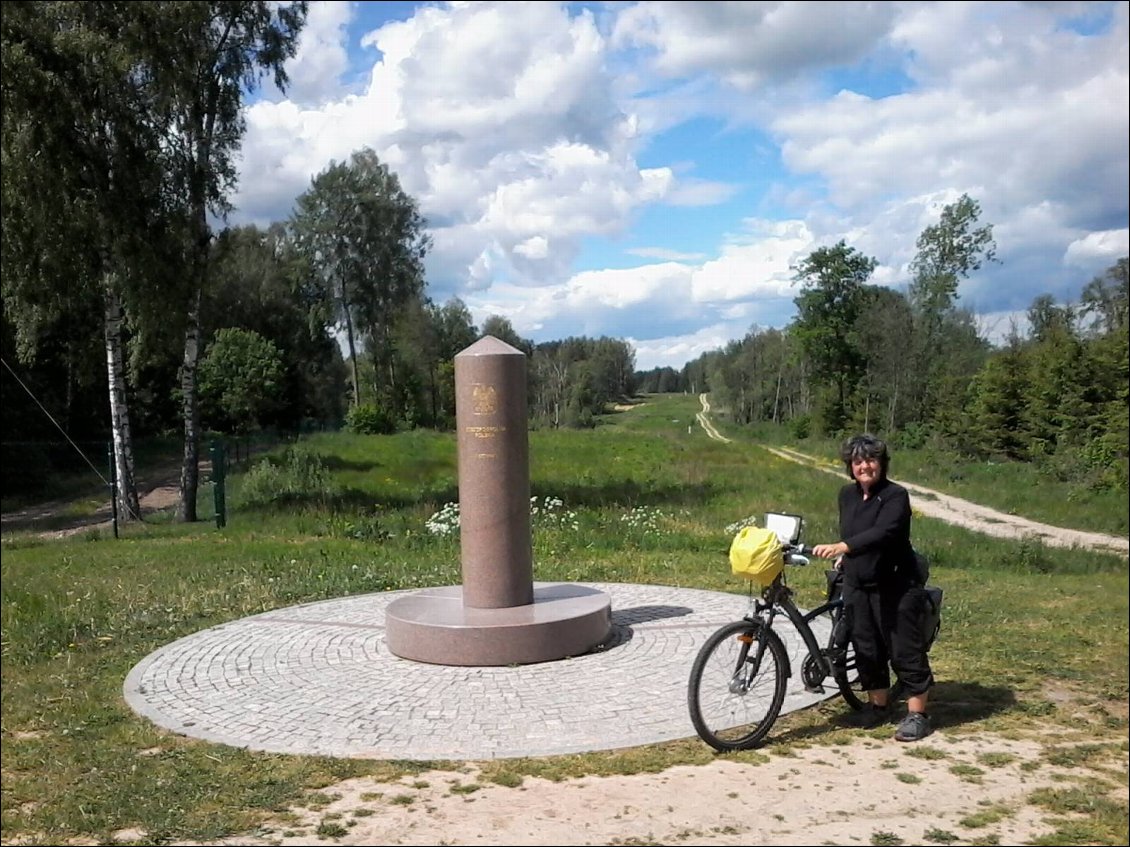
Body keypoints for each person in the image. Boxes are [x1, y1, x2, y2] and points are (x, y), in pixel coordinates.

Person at [812, 434, 934, 742]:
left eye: (870, 460)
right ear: (849, 467)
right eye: (857, 461)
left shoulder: (895, 496)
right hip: (857, 583)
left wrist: (845, 545)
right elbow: (854, 531)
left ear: (881, 463)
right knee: (867, 648)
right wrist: (845, 555)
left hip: (896, 584)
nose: (864, 466)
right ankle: (878, 706)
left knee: (904, 649)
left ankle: (917, 714)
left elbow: (885, 533)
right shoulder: (846, 495)